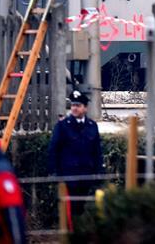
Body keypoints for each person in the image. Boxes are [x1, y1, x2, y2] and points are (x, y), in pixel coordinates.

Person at [47, 90, 103, 228]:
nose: (74, 108)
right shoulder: (63, 126)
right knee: (69, 209)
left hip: (86, 174)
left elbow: (97, 151)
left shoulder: (91, 126)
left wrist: (99, 171)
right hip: (68, 176)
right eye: (73, 105)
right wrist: (53, 171)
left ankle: (80, 233)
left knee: (81, 207)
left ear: (85, 108)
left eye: (78, 105)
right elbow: (54, 149)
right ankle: (70, 235)